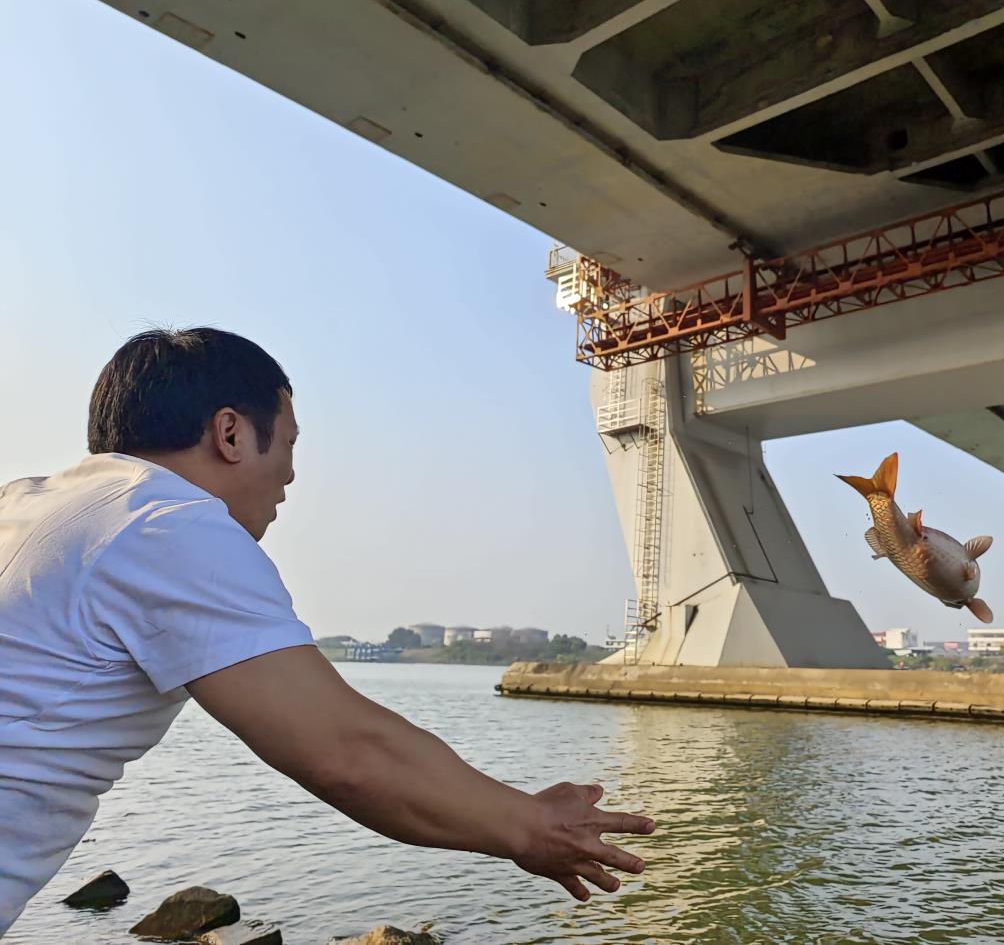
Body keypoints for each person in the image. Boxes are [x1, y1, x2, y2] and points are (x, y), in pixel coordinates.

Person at [0, 327, 654, 935]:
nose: (288, 476)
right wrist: (530, 827)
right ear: (229, 433)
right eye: (287, 444)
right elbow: (346, 752)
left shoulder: (25, 504)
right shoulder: (167, 522)